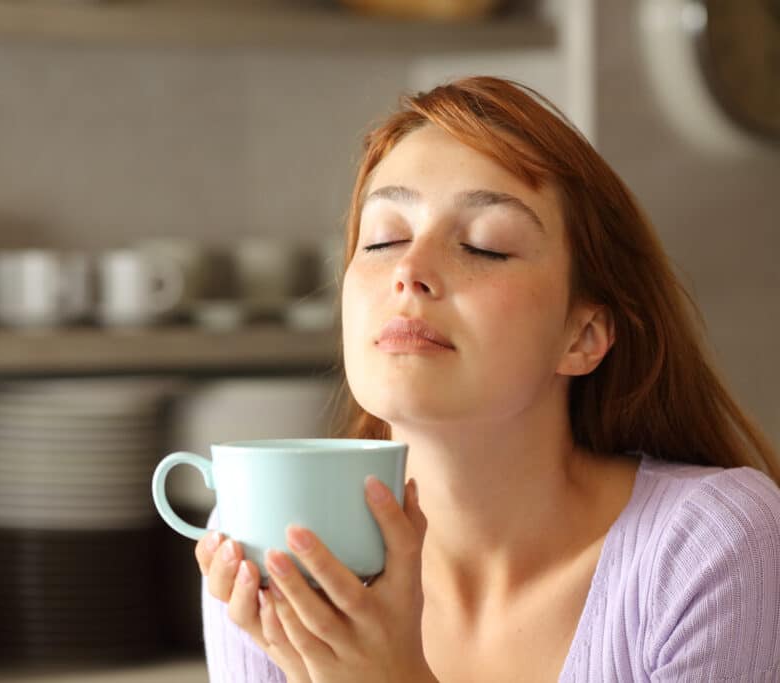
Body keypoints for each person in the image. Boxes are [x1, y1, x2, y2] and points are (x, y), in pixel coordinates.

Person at [193, 76, 780, 682]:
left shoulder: (713, 549)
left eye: (485, 246)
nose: (409, 270)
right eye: (384, 239)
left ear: (581, 336)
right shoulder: (263, 538)